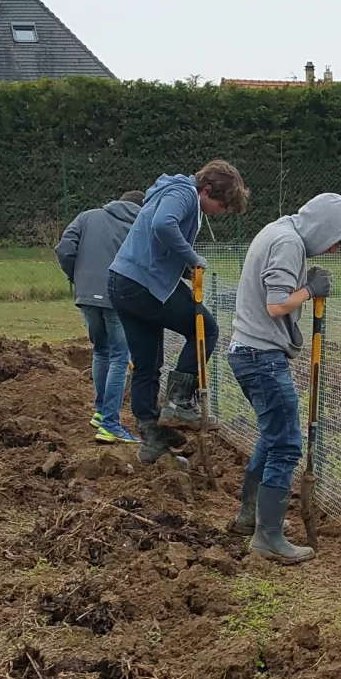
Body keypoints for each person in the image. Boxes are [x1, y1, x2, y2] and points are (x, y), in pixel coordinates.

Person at [226, 193, 341, 564]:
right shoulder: (287, 243)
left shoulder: (279, 231)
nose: (333, 252)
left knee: (272, 438)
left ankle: (251, 517)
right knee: (286, 444)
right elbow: (276, 304)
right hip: (261, 356)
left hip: (247, 351)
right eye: (336, 243)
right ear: (326, 229)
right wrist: (309, 290)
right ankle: (267, 536)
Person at [107, 160, 250, 464]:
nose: (220, 211)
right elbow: (162, 225)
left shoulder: (170, 190)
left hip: (123, 283)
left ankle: (151, 437)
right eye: (221, 204)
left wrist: (181, 266)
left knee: (147, 364)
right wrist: (192, 258)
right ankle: (179, 401)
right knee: (206, 329)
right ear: (207, 189)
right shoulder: (184, 193)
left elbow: (153, 240)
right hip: (143, 283)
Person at [56, 189, 145, 444]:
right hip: (118, 296)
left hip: (85, 295)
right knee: (120, 357)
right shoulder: (141, 224)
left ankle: (99, 412)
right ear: (141, 206)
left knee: (101, 351)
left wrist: (77, 277)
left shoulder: (87, 217)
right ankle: (110, 425)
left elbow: (64, 249)